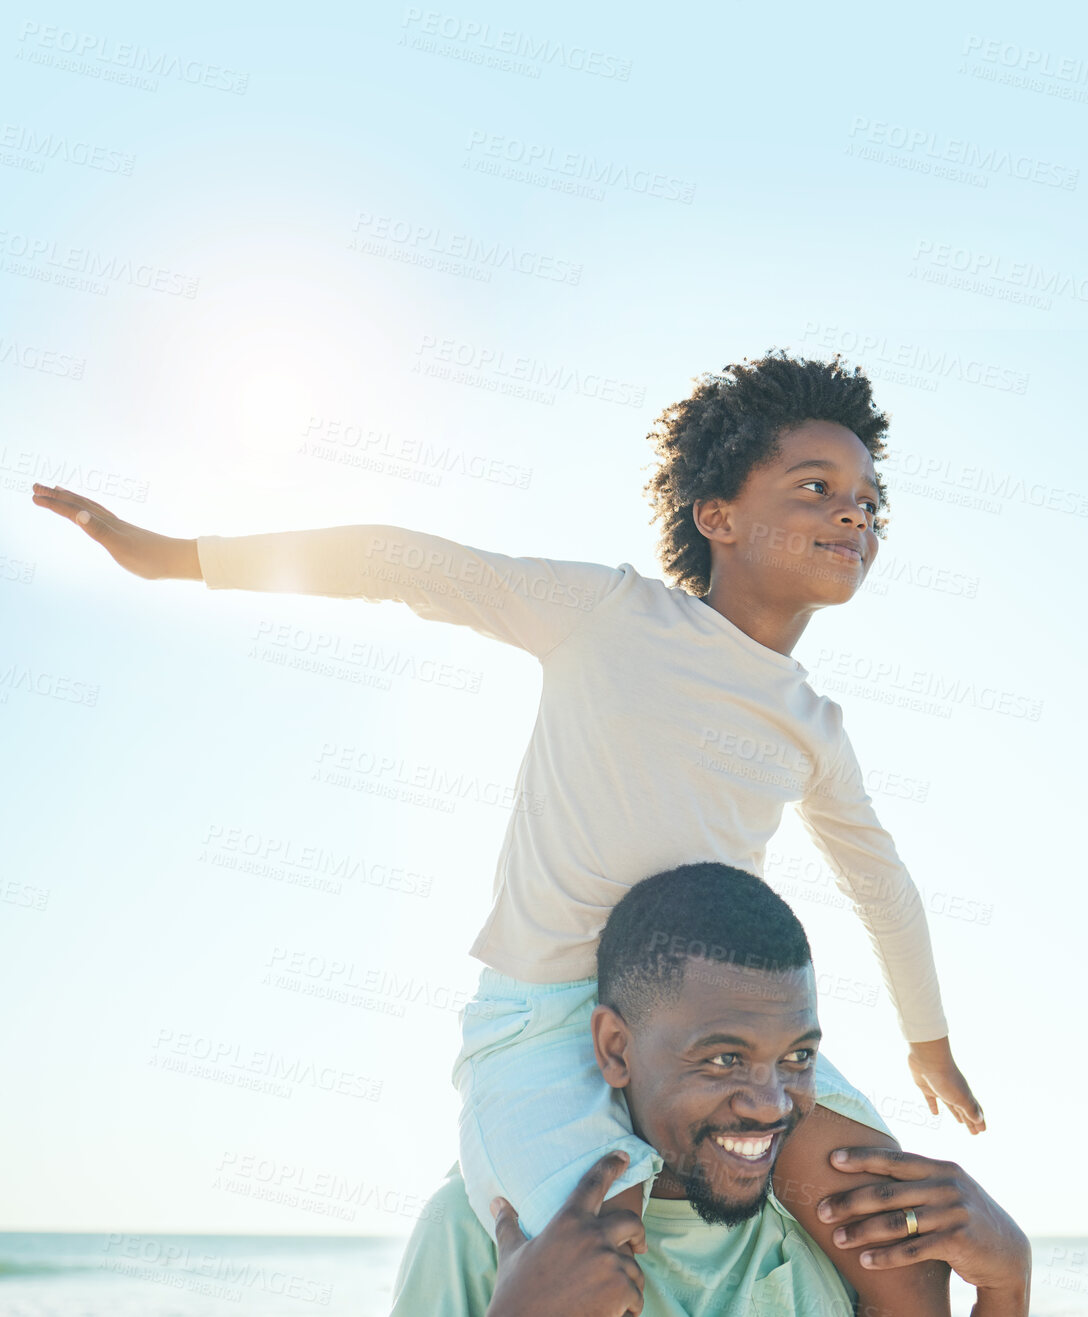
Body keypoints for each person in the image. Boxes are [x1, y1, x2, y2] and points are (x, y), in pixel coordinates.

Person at [32, 350, 983, 1317]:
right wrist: (182, 556)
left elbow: (882, 883)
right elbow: (406, 564)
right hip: (545, 1022)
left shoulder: (814, 725)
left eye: (869, 499)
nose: (854, 513)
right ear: (718, 517)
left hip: (713, 1035)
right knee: (598, 1247)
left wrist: (928, 1042)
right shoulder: (607, 614)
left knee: (893, 1222)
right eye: (816, 488)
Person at [387, 864, 1031, 1317]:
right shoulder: (478, 1231)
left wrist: (1006, 1286)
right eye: (724, 1058)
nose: (773, 1103)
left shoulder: (827, 1220)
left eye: (799, 1056)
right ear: (616, 1048)